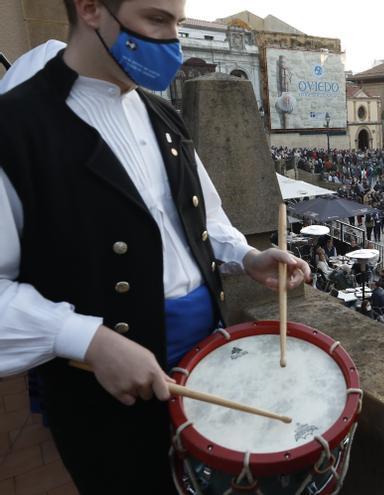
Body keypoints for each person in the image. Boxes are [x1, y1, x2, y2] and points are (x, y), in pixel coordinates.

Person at [0, 5, 315, 491]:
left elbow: (197, 211)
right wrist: (88, 339)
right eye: (156, 19)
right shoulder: (15, 128)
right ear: (89, 8)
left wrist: (246, 256)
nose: (174, 39)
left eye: (177, 21)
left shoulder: (161, 112)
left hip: (207, 361)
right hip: (106, 402)